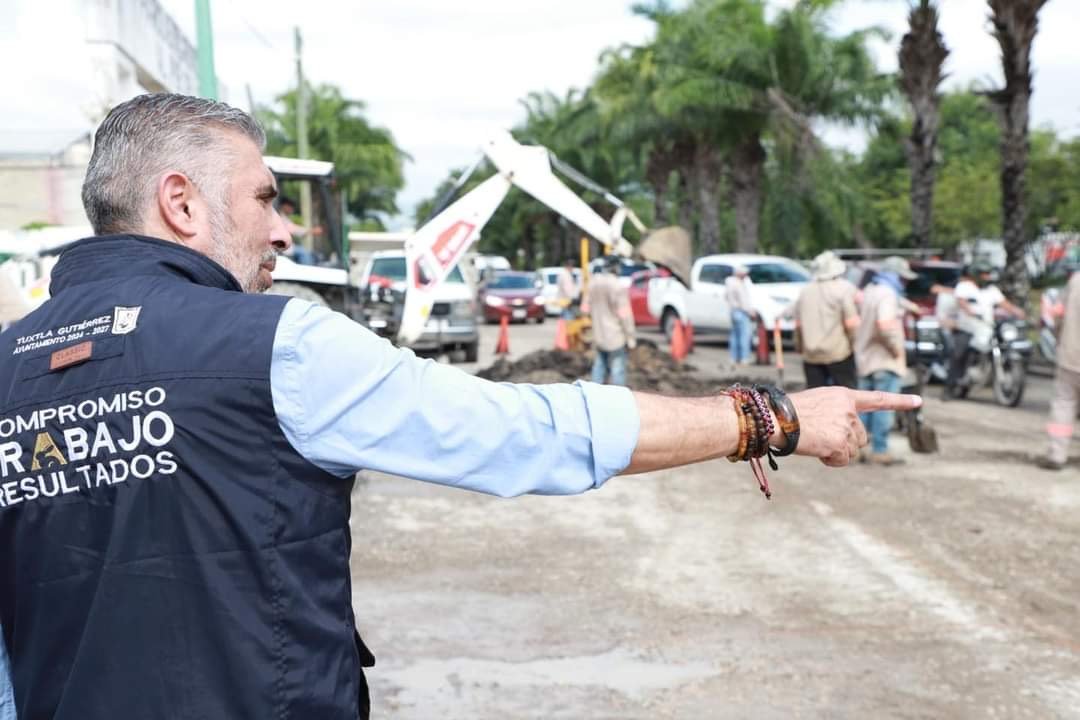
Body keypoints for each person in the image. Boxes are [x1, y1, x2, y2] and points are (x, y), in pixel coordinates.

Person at [0, 94, 918, 720]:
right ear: (181, 204)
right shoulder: (278, 344)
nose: (283, 229)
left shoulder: (7, 368)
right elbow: (522, 434)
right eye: (266, 199)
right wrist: (769, 420)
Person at [854, 256, 915, 465]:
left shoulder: (870, 291)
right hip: (884, 359)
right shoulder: (888, 294)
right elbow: (884, 324)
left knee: (864, 407)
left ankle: (858, 448)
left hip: (866, 358)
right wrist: (896, 350)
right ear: (896, 276)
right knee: (883, 407)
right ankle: (880, 450)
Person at [943, 264, 1025, 398]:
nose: (987, 277)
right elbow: (961, 301)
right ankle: (949, 388)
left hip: (986, 328)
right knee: (959, 355)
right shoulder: (965, 287)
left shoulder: (992, 290)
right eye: (984, 274)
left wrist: (1018, 312)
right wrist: (969, 311)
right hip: (967, 328)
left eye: (988, 274)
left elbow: (1005, 304)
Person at [792, 251, 860, 388]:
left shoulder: (805, 291)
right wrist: (854, 345)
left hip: (811, 355)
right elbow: (851, 324)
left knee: (816, 399)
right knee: (844, 396)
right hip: (839, 353)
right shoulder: (842, 289)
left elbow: (798, 325)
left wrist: (799, 347)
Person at [1037, 270, 1080, 470]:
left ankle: (1056, 455)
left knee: (1064, 404)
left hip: (1071, 355)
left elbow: (1057, 313)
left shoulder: (1076, 280)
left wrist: (1059, 337)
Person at [583, 255, 636, 385]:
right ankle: (618, 400)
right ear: (616, 267)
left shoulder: (593, 283)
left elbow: (585, 308)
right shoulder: (617, 286)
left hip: (599, 335)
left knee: (599, 367)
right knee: (617, 370)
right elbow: (625, 316)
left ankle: (594, 396)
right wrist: (630, 337)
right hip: (615, 336)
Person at [724, 265, 757, 366]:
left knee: (734, 335)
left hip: (733, 311)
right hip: (741, 312)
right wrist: (750, 312)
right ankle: (744, 358)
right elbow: (743, 301)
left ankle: (734, 358)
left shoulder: (729, 283)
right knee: (744, 335)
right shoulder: (738, 284)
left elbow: (726, 297)